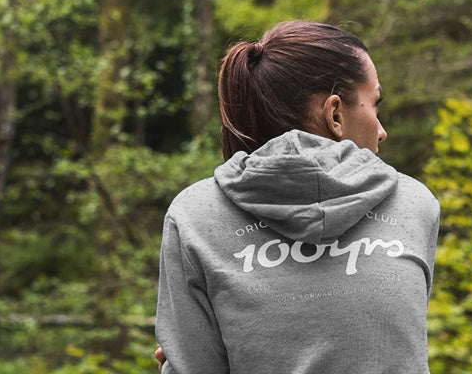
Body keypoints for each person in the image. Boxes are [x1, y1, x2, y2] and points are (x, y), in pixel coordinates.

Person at [154, 20, 440, 373]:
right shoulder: (412, 205)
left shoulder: (195, 215)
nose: (381, 131)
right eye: (374, 104)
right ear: (335, 113)